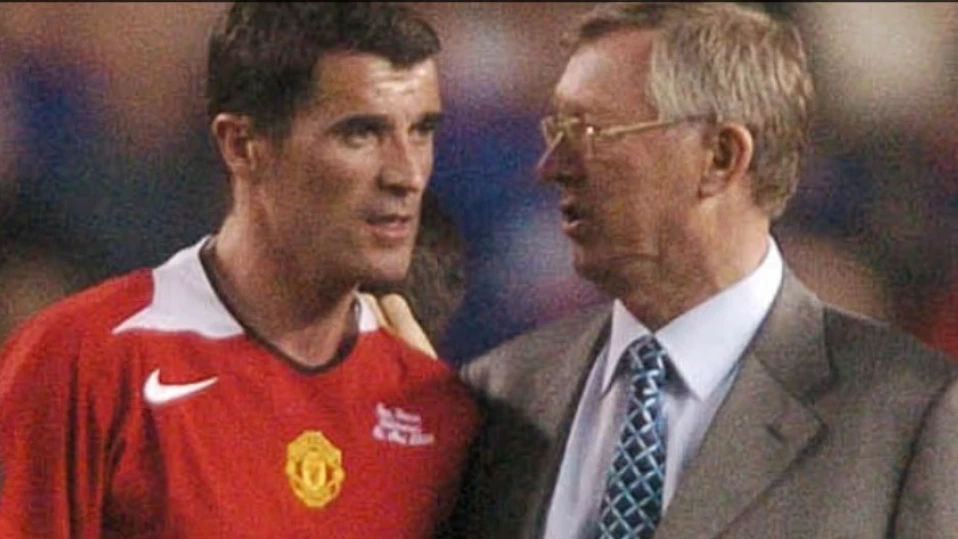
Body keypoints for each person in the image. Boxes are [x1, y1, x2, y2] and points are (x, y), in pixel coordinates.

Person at [435, 3, 958, 538]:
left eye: (593, 133)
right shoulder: (502, 391)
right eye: (557, 129)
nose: (550, 167)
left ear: (721, 157)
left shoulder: (910, 413)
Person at [0, 3, 478, 538]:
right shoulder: (86, 362)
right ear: (241, 145)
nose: (407, 174)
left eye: (422, 131)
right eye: (360, 134)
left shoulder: (437, 414)